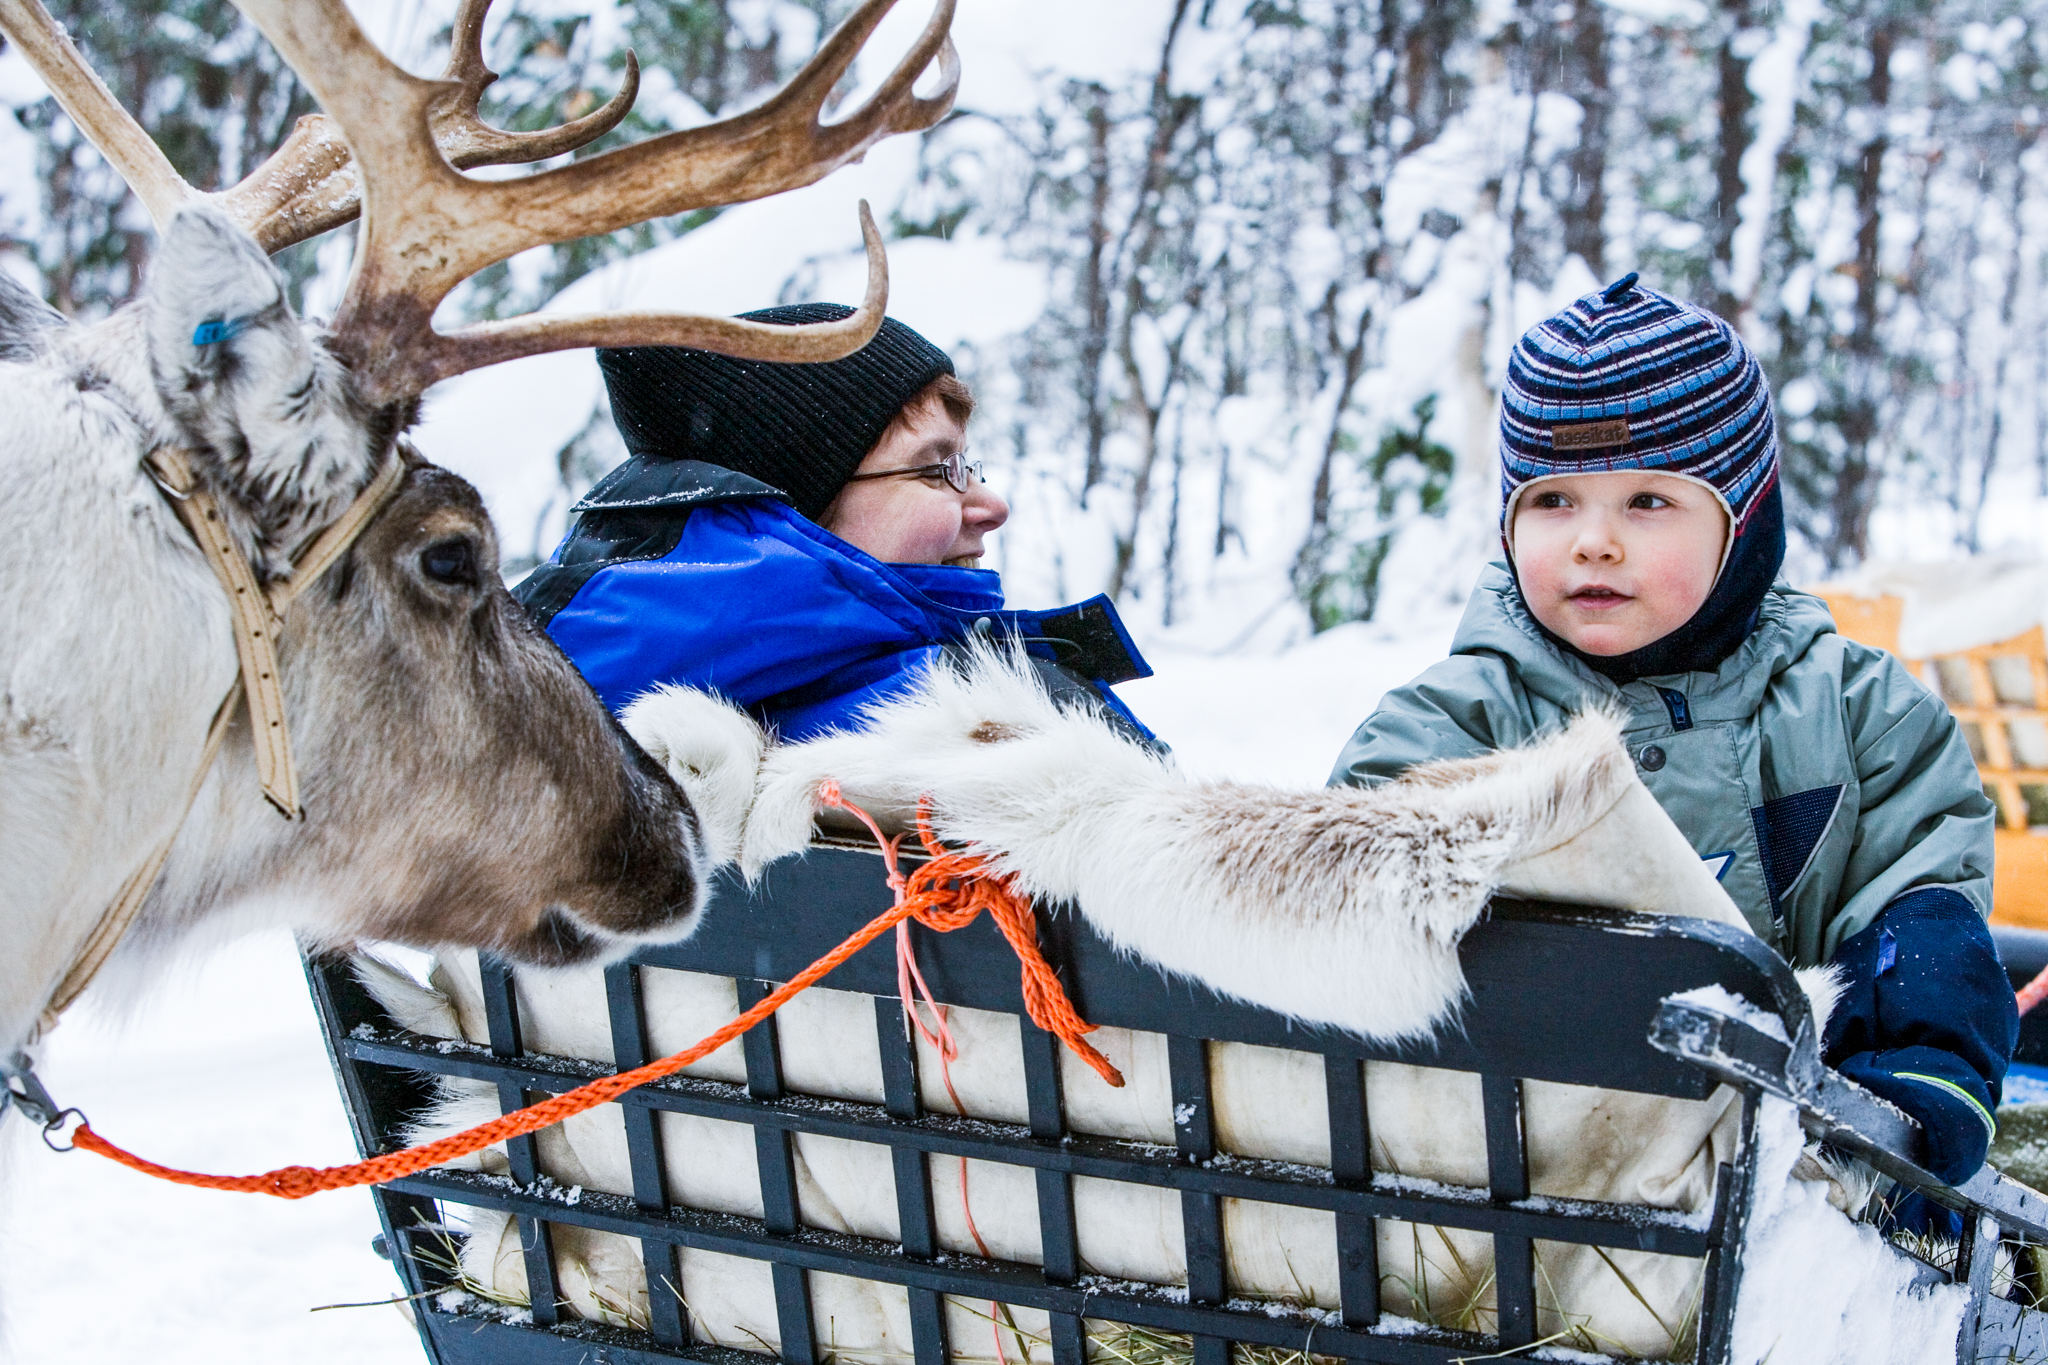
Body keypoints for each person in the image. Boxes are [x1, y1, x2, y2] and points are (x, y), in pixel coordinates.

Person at [1328, 275, 2018, 1194]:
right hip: (1520, 1174)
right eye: (1553, 501)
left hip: (1794, 1175)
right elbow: (1349, 931)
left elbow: (1920, 913)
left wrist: (1912, 1100)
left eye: (1649, 501)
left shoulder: (1862, 716)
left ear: (1744, 520)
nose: (1593, 542)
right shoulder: (1452, 725)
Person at [514, 303, 1153, 744]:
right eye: (937, 471)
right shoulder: (1000, 719)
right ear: (796, 519)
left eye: (969, 465)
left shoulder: (522, 733)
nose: (992, 505)